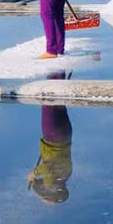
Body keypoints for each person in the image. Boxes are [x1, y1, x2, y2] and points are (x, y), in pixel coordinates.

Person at [27, 71, 73, 204]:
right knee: (48, 100)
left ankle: (58, 67)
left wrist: (37, 186)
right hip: (53, 136)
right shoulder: (52, 180)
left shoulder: (66, 175)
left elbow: (43, 179)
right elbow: (46, 168)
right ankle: (55, 66)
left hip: (65, 135)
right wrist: (34, 174)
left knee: (57, 100)